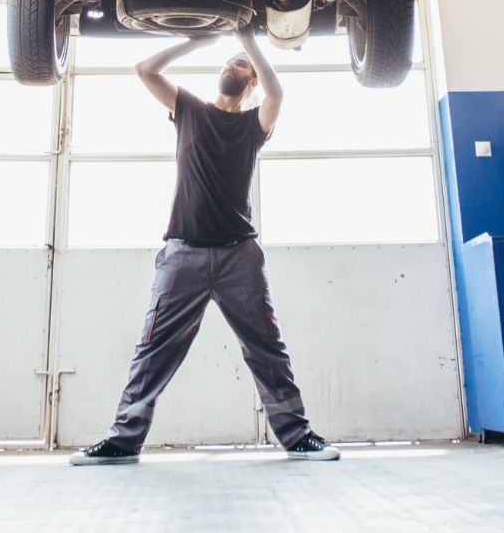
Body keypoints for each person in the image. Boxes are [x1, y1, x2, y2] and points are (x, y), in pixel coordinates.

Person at [69, 25, 340, 465]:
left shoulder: (254, 124)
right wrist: (197, 41)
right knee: (154, 348)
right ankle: (122, 440)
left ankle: (298, 436)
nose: (234, 64)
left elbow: (277, 96)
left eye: (244, 65)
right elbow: (145, 69)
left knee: (267, 346)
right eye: (230, 61)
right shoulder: (190, 109)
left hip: (240, 256)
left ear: (251, 82)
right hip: (182, 254)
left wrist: (250, 40)